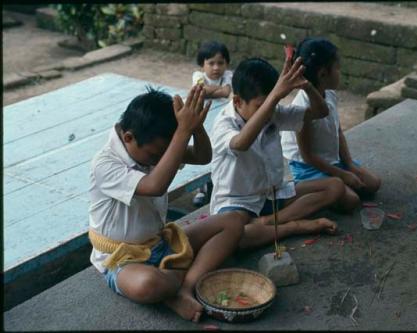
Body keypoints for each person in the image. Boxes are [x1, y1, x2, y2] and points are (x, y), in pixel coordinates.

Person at [88, 85, 245, 322]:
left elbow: (203, 157)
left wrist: (195, 127)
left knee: (232, 222)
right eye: (155, 156)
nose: (160, 160)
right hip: (122, 259)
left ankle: (184, 288)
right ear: (128, 138)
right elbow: (154, 186)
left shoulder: (154, 146)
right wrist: (182, 133)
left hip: (159, 243)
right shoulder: (105, 163)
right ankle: (175, 283)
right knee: (148, 284)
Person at [210, 53, 348, 250]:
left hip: (273, 195)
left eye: (272, 104)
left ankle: (268, 223)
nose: (268, 111)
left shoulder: (273, 112)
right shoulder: (225, 123)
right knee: (237, 235)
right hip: (238, 204)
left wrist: (306, 86)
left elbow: (320, 112)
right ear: (238, 102)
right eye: (261, 106)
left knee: (335, 186)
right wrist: (274, 97)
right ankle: (293, 226)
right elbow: (241, 143)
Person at [281, 37, 381, 210]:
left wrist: (349, 164)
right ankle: (304, 190)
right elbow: (308, 156)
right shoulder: (302, 108)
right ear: (323, 74)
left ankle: (334, 183)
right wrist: (342, 175)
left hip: (332, 160)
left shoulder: (330, 94)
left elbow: (338, 132)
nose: (340, 73)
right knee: (352, 201)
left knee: (373, 184)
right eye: (337, 68)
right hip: (308, 168)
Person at [191, 41, 233, 206]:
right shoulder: (198, 76)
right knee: (201, 149)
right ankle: (201, 190)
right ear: (203, 64)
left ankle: (218, 184)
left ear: (226, 64)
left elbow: (227, 91)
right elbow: (202, 90)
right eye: (211, 63)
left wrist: (209, 90)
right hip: (203, 118)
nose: (216, 68)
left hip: (220, 118)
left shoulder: (228, 76)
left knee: (219, 150)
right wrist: (217, 91)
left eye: (220, 63)